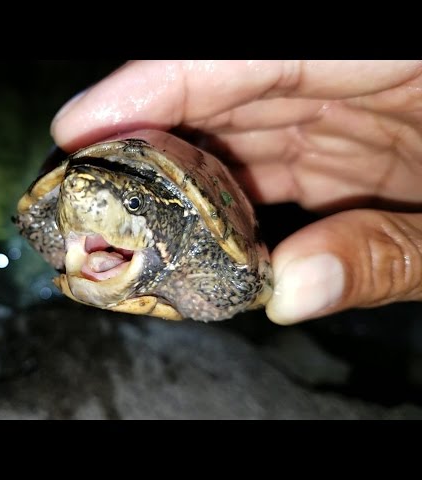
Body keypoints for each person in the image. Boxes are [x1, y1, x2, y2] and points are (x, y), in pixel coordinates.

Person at [50, 60, 422, 325]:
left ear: (163, 217)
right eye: (70, 198)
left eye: (133, 205)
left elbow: (241, 283)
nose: (78, 201)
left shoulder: (203, 254)